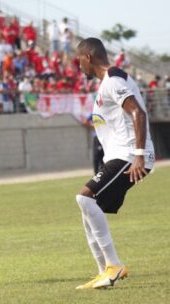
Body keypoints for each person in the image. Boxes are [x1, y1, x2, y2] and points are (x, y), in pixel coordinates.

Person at [74, 38, 155, 290]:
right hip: (118, 156)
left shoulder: (113, 79)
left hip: (129, 156)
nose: (79, 66)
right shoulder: (107, 83)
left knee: (84, 199)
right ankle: (103, 272)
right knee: (88, 209)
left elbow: (137, 113)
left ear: (88, 57)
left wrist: (139, 154)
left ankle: (113, 265)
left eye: (79, 60)